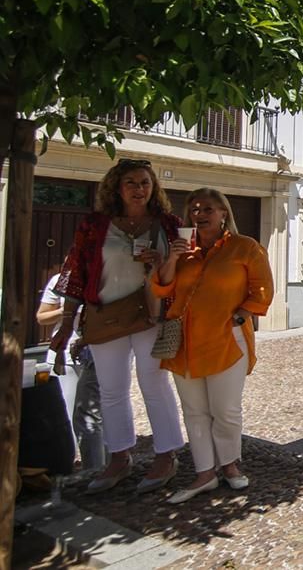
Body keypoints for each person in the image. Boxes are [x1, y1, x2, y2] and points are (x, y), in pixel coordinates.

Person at [49, 158, 186, 494]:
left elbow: (182, 274)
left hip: (149, 315)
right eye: (131, 183)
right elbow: (77, 273)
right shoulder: (96, 225)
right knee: (111, 390)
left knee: (154, 383)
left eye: (144, 183)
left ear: (153, 187)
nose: (139, 189)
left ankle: (166, 455)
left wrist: (161, 262)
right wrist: (67, 323)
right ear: (117, 187)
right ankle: (119, 456)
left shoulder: (168, 224)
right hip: (105, 314)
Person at [153, 188, 273, 504]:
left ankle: (230, 465)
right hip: (185, 342)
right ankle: (205, 472)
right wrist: (173, 257)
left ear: (223, 213)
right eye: (194, 209)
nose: (200, 213)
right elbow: (162, 287)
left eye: (208, 208)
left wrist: (240, 316)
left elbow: (262, 289)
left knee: (226, 410)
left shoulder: (244, 247)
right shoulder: (184, 252)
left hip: (226, 340)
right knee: (194, 411)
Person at [38, 260, 107, 470]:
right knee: (68, 414)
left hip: (100, 350)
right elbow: (42, 317)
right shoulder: (59, 281)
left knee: (96, 412)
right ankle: (75, 463)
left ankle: (100, 466)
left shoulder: (105, 281)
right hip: (66, 352)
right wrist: (68, 310)